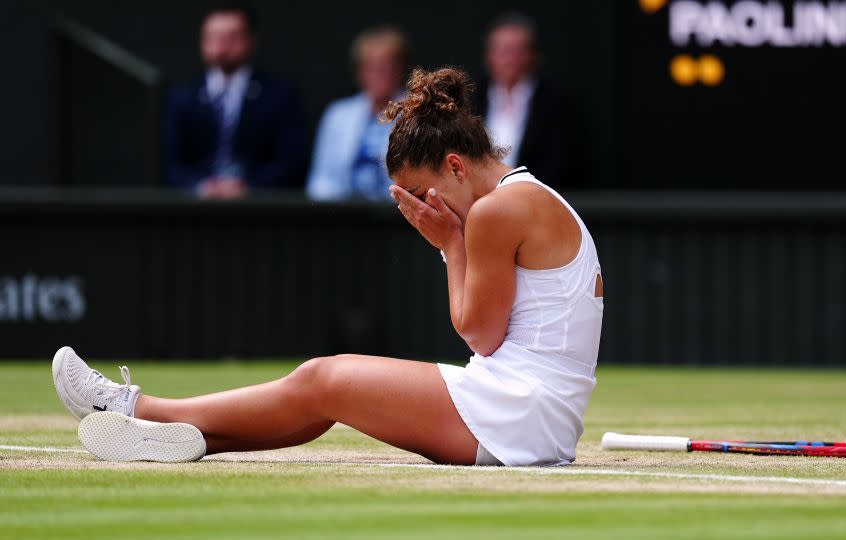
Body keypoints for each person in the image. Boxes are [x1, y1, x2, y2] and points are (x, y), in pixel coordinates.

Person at [51, 67, 604, 467]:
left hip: (520, 417)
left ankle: (139, 408)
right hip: (533, 416)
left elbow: (481, 336)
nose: (416, 207)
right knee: (324, 389)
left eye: (417, 192)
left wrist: (450, 246)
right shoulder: (527, 196)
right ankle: (185, 433)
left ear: (455, 165)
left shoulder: (496, 211)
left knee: (324, 378)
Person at [165, 4, 308, 198]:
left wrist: (248, 188)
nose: (222, 47)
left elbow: (291, 164)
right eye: (214, 37)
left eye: (232, 37)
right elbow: (171, 166)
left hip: (261, 210)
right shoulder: (183, 98)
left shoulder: (280, 96)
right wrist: (202, 187)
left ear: (251, 40)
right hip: (196, 211)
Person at [476, 13, 585, 191]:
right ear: (489, 56)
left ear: (531, 55)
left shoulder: (556, 103)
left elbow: (559, 163)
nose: (508, 59)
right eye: (501, 51)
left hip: (533, 201)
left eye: (515, 51)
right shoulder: (473, 97)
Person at [306, 27, 409, 202]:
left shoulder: (418, 113)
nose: (379, 74)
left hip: (398, 216)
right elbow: (320, 181)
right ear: (360, 72)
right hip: (343, 217)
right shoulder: (338, 115)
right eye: (371, 67)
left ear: (399, 70)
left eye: (386, 67)